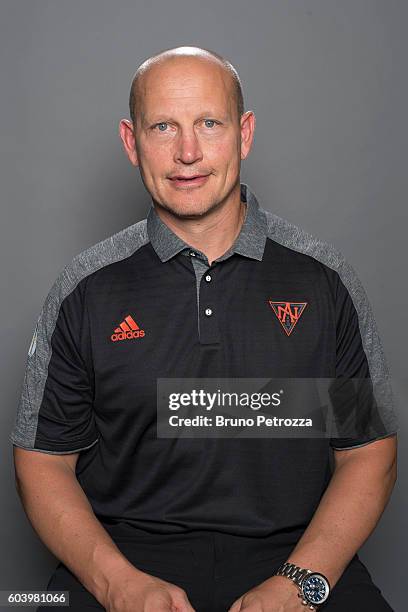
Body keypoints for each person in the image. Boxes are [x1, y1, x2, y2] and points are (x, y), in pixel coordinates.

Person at [10, 45, 398, 612]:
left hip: (298, 554)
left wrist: (302, 584)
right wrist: (117, 584)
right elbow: (42, 462)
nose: (187, 152)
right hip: (122, 558)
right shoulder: (85, 289)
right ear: (130, 141)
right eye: (163, 126)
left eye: (208, 124)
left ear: (244, 134)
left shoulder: (323, 280)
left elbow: (369, 454)